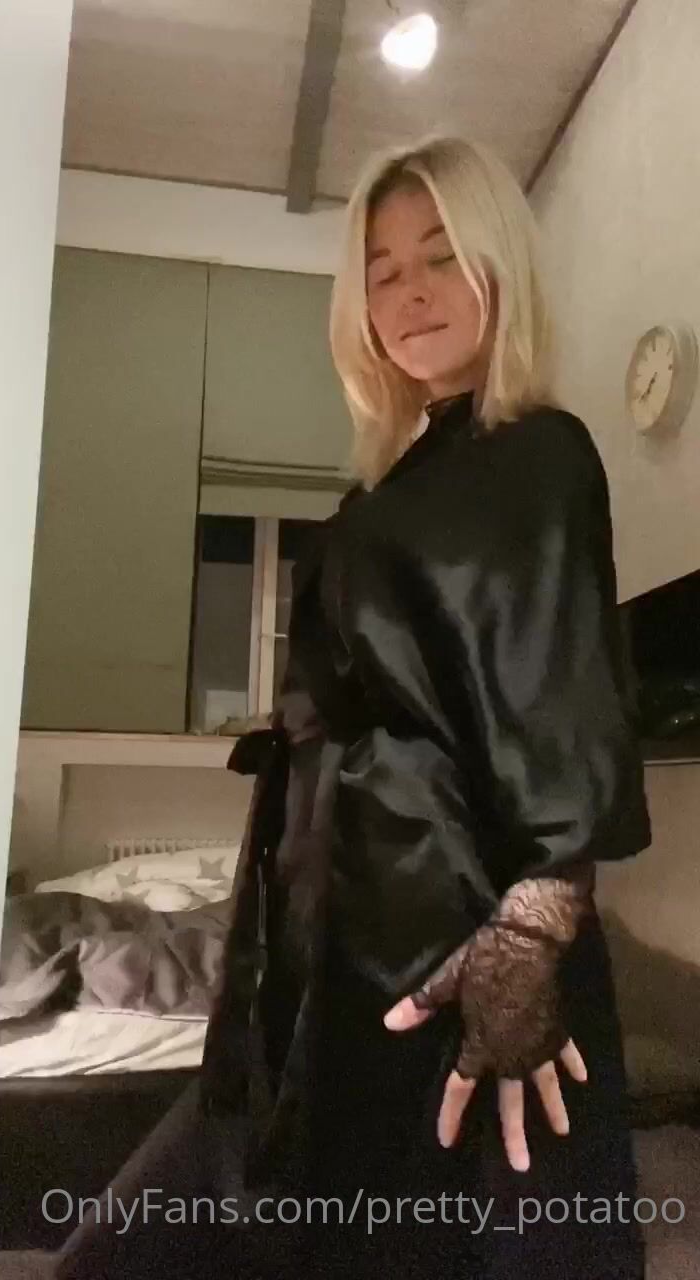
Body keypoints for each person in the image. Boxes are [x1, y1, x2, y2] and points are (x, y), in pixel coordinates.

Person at [56, 136, 651, 1280]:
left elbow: (558, 692)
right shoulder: (396, 474)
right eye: (380, 270)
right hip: (331, 927)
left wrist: (530, 929)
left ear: (499, 264)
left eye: (440, 255)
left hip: (447, 936)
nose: (408, 290)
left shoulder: (535, 452)